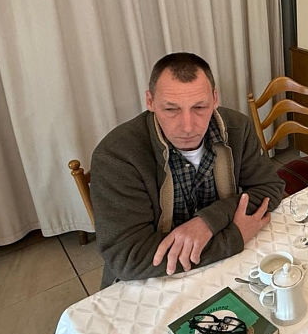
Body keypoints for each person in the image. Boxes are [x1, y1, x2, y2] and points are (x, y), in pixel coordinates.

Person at [90, 53, 284, 289]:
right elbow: (129, 258)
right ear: (150, 101)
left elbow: (269, 188)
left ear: (215, 99)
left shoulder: (237, 127)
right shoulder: (116, 155)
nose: (188, 127)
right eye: (171, 109)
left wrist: (208, 221)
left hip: (220, 266)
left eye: (199, 107)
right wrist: (234, 237)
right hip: (153, 280)